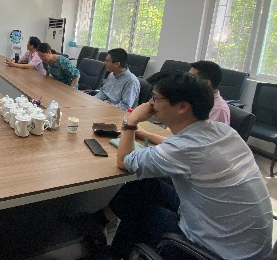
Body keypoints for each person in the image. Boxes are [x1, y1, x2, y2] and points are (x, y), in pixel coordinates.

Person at [87, 70, 272, 259]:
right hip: (245, 243)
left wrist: (131, 122)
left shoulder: (182, 149)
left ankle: (113, 255)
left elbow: (124, 161)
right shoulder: (225, 131)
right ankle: (98, 220)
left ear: (183, 107)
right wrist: (146, 134)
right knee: (145, 186)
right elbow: (182, 146)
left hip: (215, 253)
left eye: (155, 98)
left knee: (138, 210)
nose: (150, 104)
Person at [189, 60, 230, 125]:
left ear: (207, 83)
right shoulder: (198, 98)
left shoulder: (218, 109)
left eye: (192, 79)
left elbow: (203, 130)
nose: (187, 81)